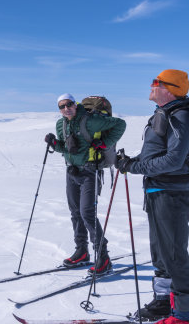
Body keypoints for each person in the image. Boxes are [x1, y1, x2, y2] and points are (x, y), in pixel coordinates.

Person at [116, 69, 189, 324]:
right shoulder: (163, 115)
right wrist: (130, 161)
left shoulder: (182, 116)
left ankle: (184, 315)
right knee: (160, 252)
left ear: (170, 88)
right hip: (157, 191)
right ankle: (164, 302)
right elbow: (153, 153)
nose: (151, 86)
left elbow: (174, 160)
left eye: (156, 82)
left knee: (174, 254)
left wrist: (135, 168)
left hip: (172, 193)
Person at [45, 93, 126, 275]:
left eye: (69, 104)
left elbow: (120, 125)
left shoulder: (91, 120)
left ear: (76, 104)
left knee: (86, 213)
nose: (66, 108)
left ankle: (103, 256)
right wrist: (54, 143)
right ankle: (82, 251)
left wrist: (105, 143)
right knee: (75, 213)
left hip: (90, 171)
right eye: (62, 106)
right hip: (72, 171)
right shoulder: (61, 124)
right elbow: (66, 148)